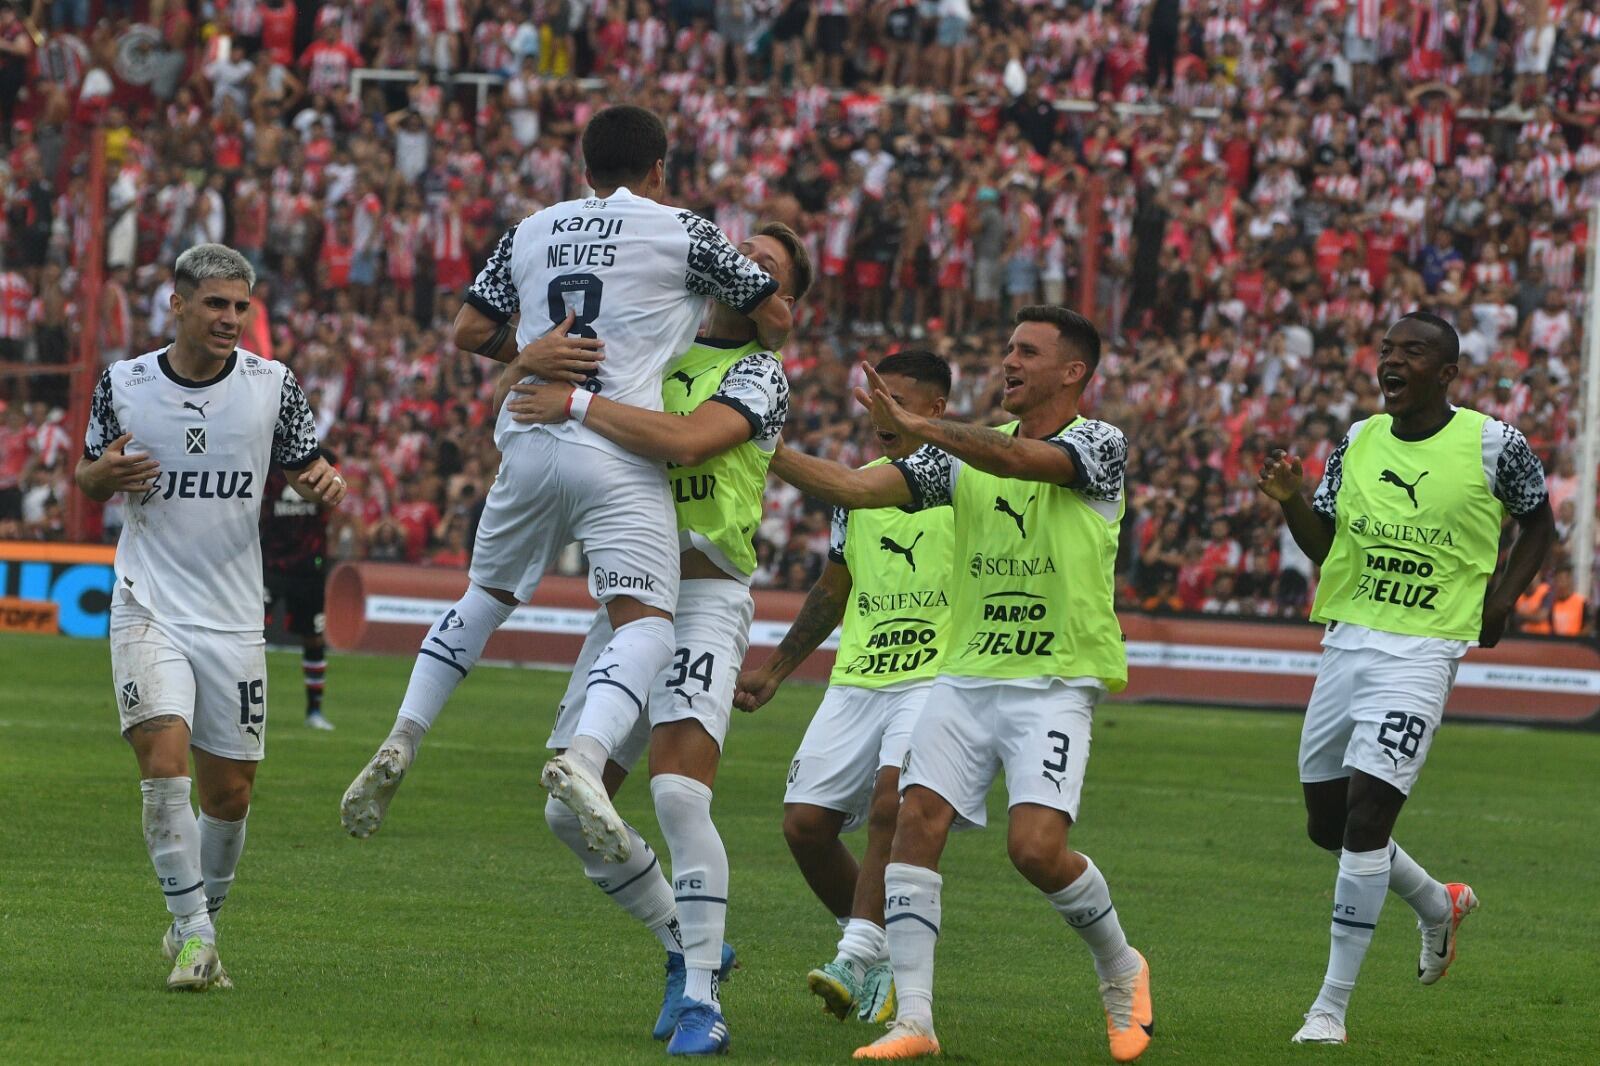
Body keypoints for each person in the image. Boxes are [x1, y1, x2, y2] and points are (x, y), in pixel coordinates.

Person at [340, 104, 792, 868]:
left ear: (584, 170)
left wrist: (533, 349)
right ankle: (585, 755)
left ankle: (404, 733)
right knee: (646, 620)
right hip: (611, 442)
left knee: (484, 596)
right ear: (658, 170)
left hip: (525, 433)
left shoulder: (531, 229)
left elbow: (464, 330)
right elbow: (771, 312)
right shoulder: (683, 228)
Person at [768, 306, 1153, 1063]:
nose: (1007, 360)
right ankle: (914, 1020)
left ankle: (1121, 966)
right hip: (966, 675)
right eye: (1006, 347)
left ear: (1072, 371)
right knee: (916, 822)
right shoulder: (957, 456)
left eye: (1027, 352)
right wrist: (761, 446)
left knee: (1037, 851)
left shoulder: (1100, 444)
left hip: (1053, 679)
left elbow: (1014, 464)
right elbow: (852, 486)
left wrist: (917, 422)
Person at [497, 222, 809, 1055]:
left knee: (677, 793)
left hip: (705, 595)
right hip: (630, 600)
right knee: (570, 813)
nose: (747, 271)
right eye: (744, 257)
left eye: (768, 271)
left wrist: (576, 402)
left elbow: (687, 441)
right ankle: (686, 943)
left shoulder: (760, 375)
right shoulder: (657, 350)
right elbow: (530, 366)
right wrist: (533, 362)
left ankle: (704, 1000)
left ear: (783, 301)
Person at [1257, 312, 1555, 1047]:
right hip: (1349, 641)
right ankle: (1435, 903)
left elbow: (1541, 524)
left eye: (1411, 352)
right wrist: (1293, 498)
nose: (1391, 360)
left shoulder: (1494, 443)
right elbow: (1325, 546)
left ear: (1447, 372)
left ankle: (1328, 1010)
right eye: (1387, 349)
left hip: (1423, 650)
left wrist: (1502, 598)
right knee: (1325, 823)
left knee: (1365, 822)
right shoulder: (1357, 441)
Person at [74, 243, 346, 991]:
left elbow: (307, 463)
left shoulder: (273, 386)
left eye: (240, 306)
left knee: (230, 794)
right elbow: (88, 473)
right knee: (163, 767)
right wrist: (104, 474)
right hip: (148, 601)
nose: (231, 318)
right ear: (179, 305)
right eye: (217, 304)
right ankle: (198, 941)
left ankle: (194, 922)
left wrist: (323, 481)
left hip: (232, 614)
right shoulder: (124, 383)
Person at [733, 350, 956, 1026]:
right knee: (805, 826)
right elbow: (836, 586)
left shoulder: (963, 474)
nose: (880, 416)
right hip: (860, 676)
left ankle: (855, 955)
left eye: (899, 404)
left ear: (938, 410)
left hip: (936, 672)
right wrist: (775, 668)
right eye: (874, 402)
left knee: (894, 798)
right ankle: (880, 950)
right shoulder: (855, 487)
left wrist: (758, 443)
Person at [260, 446, 338, 730]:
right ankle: (237, 703)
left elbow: (335, 497)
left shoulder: (322, 459)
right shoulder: (265, 461)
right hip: (271, 563)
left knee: (313, 638)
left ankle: (314, 711)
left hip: (308, 566)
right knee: (248, 631)